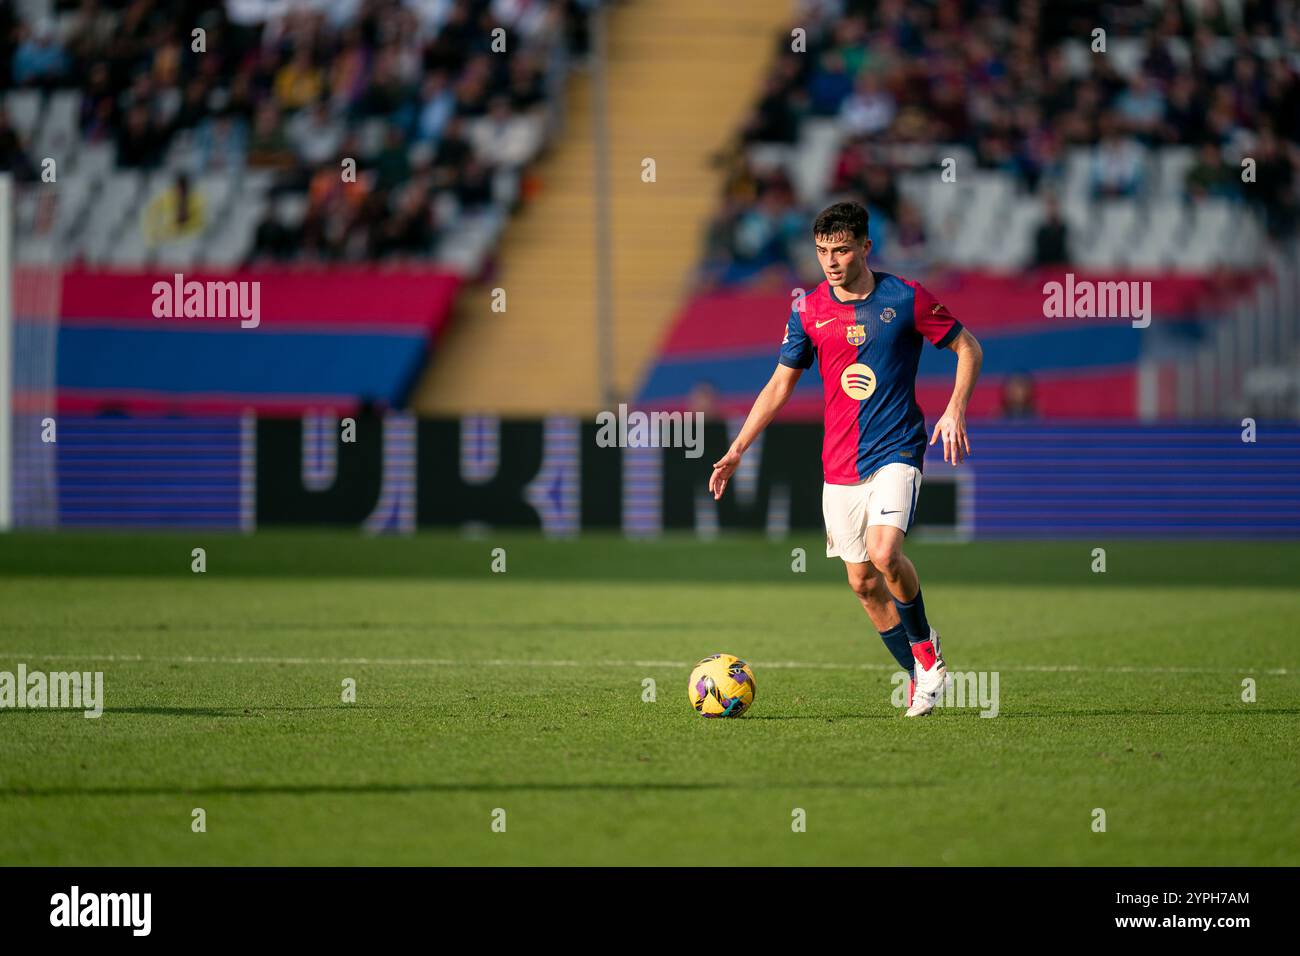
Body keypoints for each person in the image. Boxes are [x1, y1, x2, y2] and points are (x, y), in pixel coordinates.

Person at [709, 201, 983, 716]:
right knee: (862, 582)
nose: (830, 261)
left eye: (840, 250)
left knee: (885, 554)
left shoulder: (904, 298)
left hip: (898, 447)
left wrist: (955, 409)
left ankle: (927, 653)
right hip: (839, 465)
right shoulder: (808, 310)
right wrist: (737, 448)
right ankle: (918, 672)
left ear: (864, 247)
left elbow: (969, 347)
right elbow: (780, 384)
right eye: (821, 251)